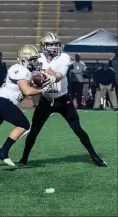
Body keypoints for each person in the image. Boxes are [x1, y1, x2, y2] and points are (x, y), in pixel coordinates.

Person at [18, 32, 107, 168]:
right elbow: (28, 73)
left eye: (56, 44)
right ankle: (23, 159)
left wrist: (50, 75)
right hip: (46, 100)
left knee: (77, 128)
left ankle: (94, 155)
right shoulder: (38, 58)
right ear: (44, 46)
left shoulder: (64, 57)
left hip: (62, 99)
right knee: (34, 130)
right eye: (51, 44)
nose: (55, 47)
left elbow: (60, 74)